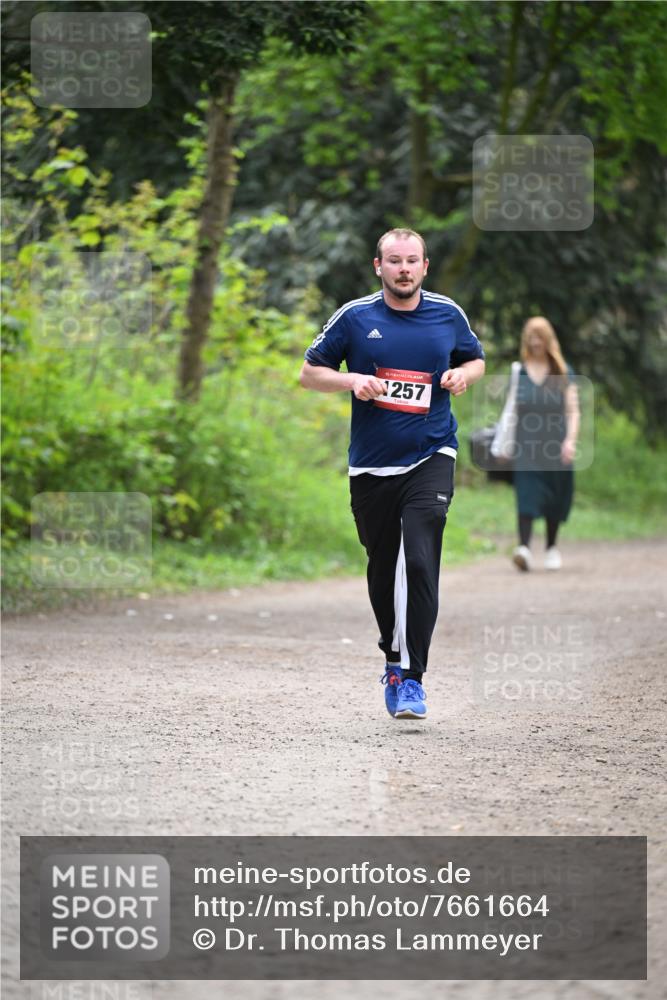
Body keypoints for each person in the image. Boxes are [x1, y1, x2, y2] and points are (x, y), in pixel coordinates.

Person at [299, 228, 485, 720]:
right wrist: (352, 379)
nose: (404, 269)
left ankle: (411, 678)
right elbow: (309, 371)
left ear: (426, 266)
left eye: (413, 261)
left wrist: (464, 375)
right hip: (372, 465)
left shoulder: (448, 314)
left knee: (419, 560)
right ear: (377, 266)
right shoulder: (356, 317)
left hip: (432, 453)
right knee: (385, 571)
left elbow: (475, 358)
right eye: (394, 261)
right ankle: (392, 656)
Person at [510, 316, 580, 572]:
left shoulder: (563, 371)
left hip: (555, 442)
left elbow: (573, 411)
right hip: (526, 443)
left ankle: (551, 547)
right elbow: (511, 411)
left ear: (548, 340)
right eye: (531, 336)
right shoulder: (519, 371)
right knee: (526, 493)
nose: (535, 341)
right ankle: (524, 548)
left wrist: (570, 441)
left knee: (555, 494)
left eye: (540, 336)